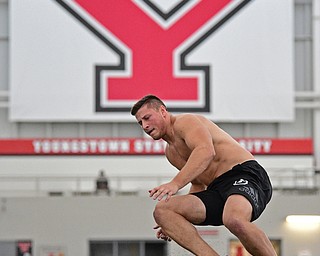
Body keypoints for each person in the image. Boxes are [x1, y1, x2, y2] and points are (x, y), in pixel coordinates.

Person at [131, 95, 277, 256]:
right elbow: (198, 184)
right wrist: (176, 223)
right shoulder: (171, 153)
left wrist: (175, 183)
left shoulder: (185, 122)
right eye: (140, 123)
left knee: (233, 219)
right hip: (217, 190)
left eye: (147, 118)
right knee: (163, 211)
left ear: (163, 111)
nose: (145, 126)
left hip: (245, 175)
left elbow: (206, 151)